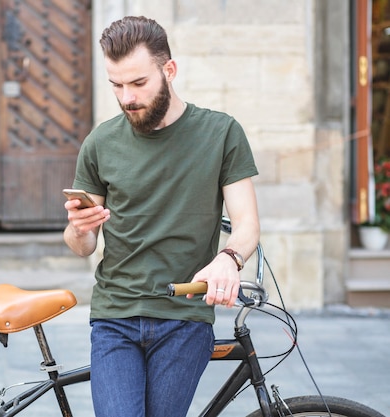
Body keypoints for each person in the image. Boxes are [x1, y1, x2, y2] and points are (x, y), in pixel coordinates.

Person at [63, 16, 260, 417]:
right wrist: (80, 230)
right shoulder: (100, 142)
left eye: (138, 83)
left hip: (184, 317)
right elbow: (82, 246)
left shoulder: (221, 133)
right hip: (115, 316)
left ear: (169, 70)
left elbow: (247, 225)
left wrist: (228, 259)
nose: (127, 97)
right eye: (116, 85)